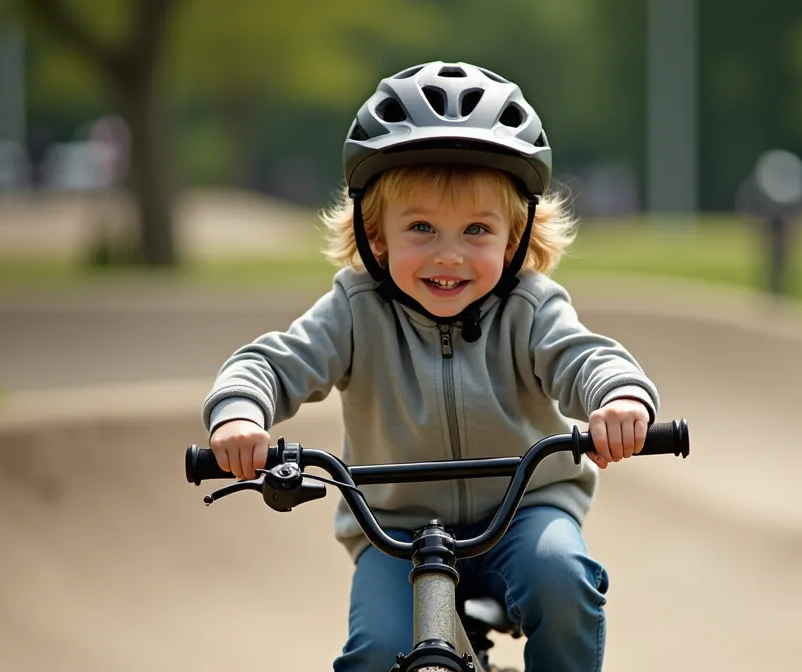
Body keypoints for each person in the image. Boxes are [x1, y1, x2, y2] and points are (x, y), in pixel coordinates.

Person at [200, 61, 661, 672]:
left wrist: (620, 400)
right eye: (421, 227)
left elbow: (585, 358)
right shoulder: (354, 309)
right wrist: (239, 416)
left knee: (562, 578)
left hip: (525, 514)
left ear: (515, 236)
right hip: (397, 533)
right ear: (376, 234)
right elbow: (270, 363)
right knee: (372, 653)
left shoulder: (530, 305)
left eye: (477, 230)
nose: (449, 255)